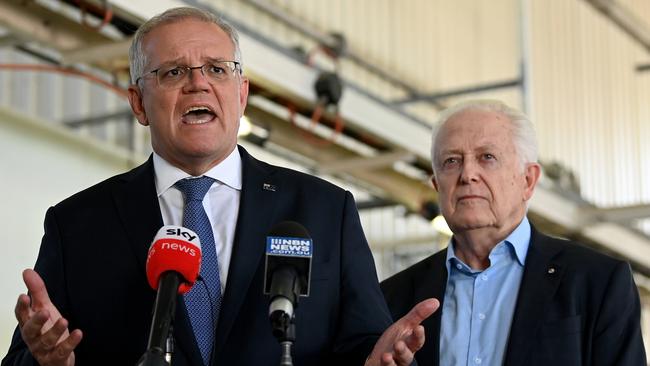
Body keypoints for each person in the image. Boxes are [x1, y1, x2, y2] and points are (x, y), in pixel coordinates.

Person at [2, 7, 438, 366]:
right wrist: (45, 361)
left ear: (242, 93)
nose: (198, 82)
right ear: (138, 102)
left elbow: (366, 346)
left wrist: (380, 361)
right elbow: (26, 357)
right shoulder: (78, 223)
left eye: (217, 68)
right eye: (173, 72)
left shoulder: (325, 211)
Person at [381, 99, 647, 366]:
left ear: (528, 180)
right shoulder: (392, 299)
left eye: (487, 157)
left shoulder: (598, 281)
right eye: (452, 161)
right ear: (437, 185)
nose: (468, 174)